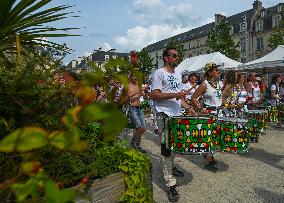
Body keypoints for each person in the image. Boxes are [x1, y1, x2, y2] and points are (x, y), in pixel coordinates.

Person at [151, 47, 196, 202]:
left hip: (176, 116)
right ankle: (170, 183)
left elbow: (179, 98)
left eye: (177, 56)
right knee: (166, 148)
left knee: (176, 146)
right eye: (174, 56)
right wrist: (176, 94)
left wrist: (189, 108)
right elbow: (155, 95)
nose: (177, 58)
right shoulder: (159, 73)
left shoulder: (177, 75)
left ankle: (170, 167)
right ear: (166, 58)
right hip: (164, 115)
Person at [191, 62, 222, 172]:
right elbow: (194, 98)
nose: (218, 71)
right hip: (210, 114)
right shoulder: (204, 85)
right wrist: (200, 108)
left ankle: (210, 156)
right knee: (210, 137)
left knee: (216, 136)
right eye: (215, 70)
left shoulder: (219, 83)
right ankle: (208, 161)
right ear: (209, 72)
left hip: (219, 113)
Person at [126, 73, 147, 153]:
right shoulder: (128, 86)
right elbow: (128, 96)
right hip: (133, 108)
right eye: (135, 76)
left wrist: (144, 92)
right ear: (130, 77)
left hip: (140, 107)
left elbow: (145, 97)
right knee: (139, 127)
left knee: (143, 128)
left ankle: (133, 142)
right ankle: (137, 146)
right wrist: (138, 90)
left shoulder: (138, 85)